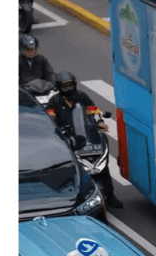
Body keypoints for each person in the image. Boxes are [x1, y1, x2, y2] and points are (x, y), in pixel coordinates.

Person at [46, 71, 123, 208]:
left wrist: (99, 122)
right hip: (67, 138)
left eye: (70, 86)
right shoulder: (54, 101)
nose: (68, 89)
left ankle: (110, 195)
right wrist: (58, 128)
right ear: (59, 88)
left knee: (103, 167)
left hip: (86, 136)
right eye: (65, 87)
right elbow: (49, 118)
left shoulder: (82, 97)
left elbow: (93, 111)